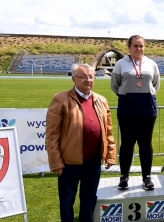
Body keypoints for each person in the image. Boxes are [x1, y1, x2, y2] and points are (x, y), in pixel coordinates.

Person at [45, 63, 116, 222]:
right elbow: (51, 134)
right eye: (83, 77)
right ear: (73, 79)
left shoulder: (101, 100)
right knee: (67, 201)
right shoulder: (60, 99)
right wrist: (56, 162)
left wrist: (110, 154)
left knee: (89, 199)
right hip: (69, 162)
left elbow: (108, 130)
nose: (88, 80)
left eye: (91, 76)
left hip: (93, 161)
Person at [111, 35, 160, 191]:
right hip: (127, 109)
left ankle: (146, 177)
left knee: (145, 144)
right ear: (129, 47)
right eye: (135, 46)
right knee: (127, 143)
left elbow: (156, 85)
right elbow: (115, 85)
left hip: (147, 109)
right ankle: (124, 177)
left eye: (141, 46)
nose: (139, 49)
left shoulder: (151, 64)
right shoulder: (120, 64)